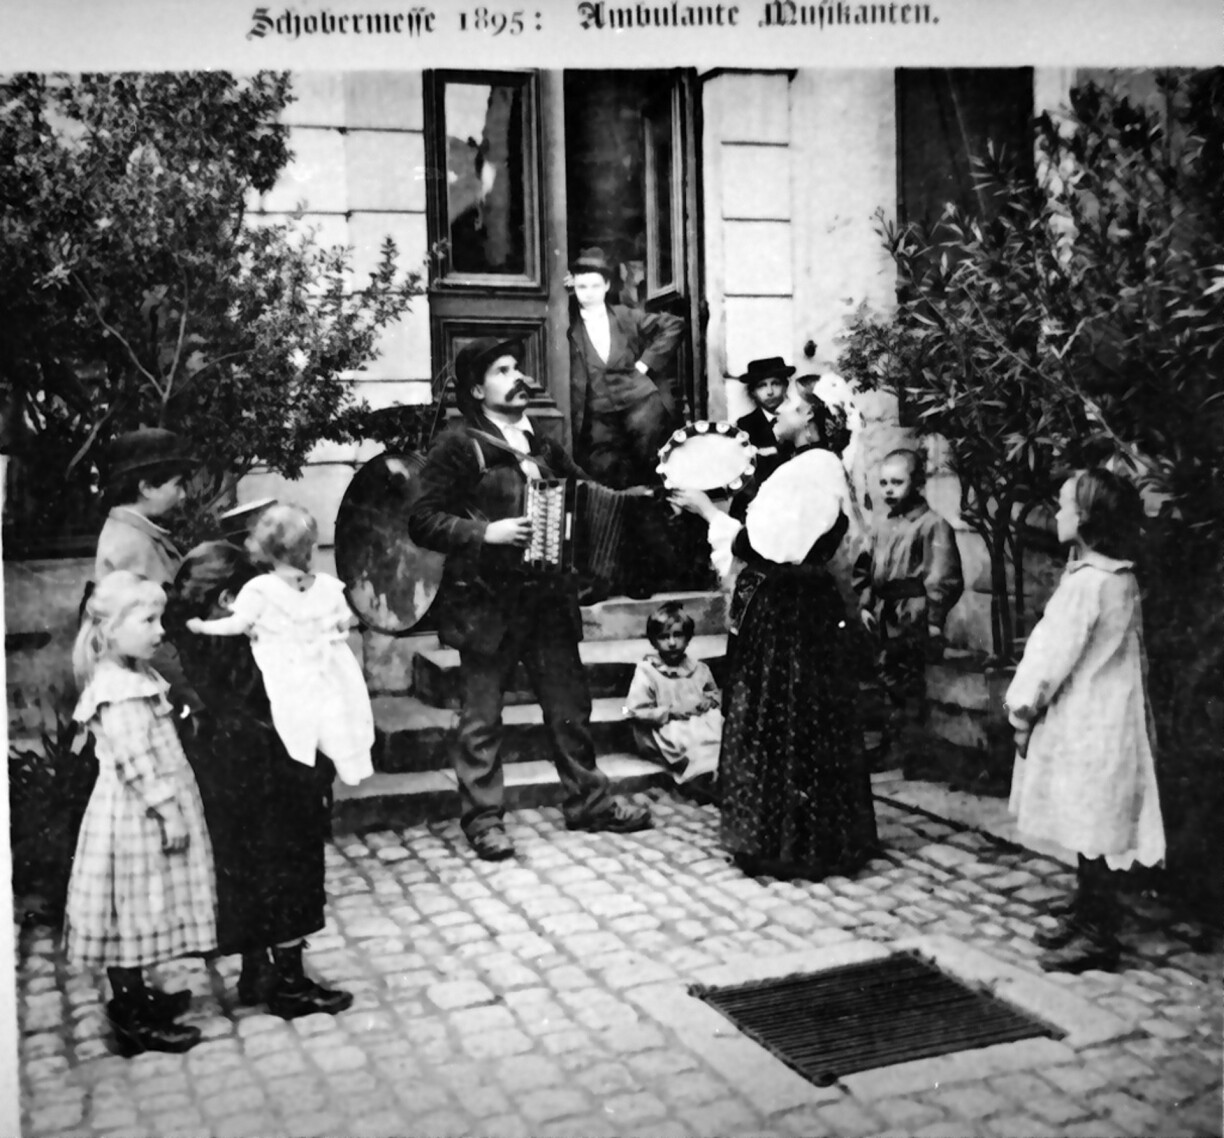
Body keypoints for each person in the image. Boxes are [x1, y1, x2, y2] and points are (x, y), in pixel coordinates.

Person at [409, 335, 653, 861]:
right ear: (477, 389)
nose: (517, 376)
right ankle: (483, 819)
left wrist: (628, 505)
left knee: (570, 707)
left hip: (547, 602)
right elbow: (422, 520)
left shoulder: (540, 441)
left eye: (517, 367)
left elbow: (585, 490)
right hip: (487, 604)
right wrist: (485, 534)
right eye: (502, 370)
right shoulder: (459, 446)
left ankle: (588, 801)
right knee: (482, 718)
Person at [673, 376, 878, 880]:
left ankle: (788, 843)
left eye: (788, 403)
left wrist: (705, 510)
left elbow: (766, 547)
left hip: (790, 612)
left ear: (810, 416)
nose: (780, 411)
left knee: (783, 715)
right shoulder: (808, 467)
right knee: (791, 716)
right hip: (792, 606)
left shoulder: (813, 469)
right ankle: (799, 836)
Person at [172, 541, 353, 1018]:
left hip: (225, 773)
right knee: (290, 870)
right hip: (276, 770)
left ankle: (255, 971)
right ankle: (290, 983)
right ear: (231, 599)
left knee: (246, 870)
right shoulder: (252, 646)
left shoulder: (193, 641)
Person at [1006, 467, 1164, 973]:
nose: (1056, 514)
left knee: (1092, 818)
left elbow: (1051, 656)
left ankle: (1099, 933)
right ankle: (1087, 909)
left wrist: (1023, 708)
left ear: (1088, 519)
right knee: (1087, 813)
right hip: (1107, 716)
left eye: (1064, 506)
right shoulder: (1118, 577)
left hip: (1088, 719)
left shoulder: (1088, 586)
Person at [64, 571, 216, 1055]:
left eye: (160, 619)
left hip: (141, 813)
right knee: (132, 906)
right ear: (110, 630)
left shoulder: (134, 676)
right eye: (148, 620)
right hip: (136, 819)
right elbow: (136, 762)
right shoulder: (119, 690)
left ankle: (136, 994)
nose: (159, 630)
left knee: (144, 905)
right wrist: (170, 812)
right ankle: (130, 1014)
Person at [184, 503, 374, 789]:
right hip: (323, 674)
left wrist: (202, 626)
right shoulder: (325, 586)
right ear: (310, 552)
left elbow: (236, 624)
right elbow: (343, 623)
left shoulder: (260, 591)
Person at [567, 246, 686, 597]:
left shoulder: (625, 317)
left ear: (606, 287)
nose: (586, 293)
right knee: (604, 494)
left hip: (641, 416)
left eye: (593, 286)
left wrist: (645, 364)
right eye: (579, 287)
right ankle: (603, 578)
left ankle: (641, 576)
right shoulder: (567, 324)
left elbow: (673, 324)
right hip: (599, 421)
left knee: (644, 492)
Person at [854, 448, 964, 773]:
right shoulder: (880, 526)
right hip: (884, 610)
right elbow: (863, 569)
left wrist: (933, 619)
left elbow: (943, 575)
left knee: (909, 681)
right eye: (884, 482)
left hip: (913, 611)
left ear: (916, 484)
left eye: (897, 482)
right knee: (887, 678)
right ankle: (894, 745)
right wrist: (865, 604)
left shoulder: (933, 525)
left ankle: (914, 751)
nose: (889, 490)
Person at [623, 601, 722, 799]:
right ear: (653, 641)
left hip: (697, 722)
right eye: (663, 637)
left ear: (688, 638)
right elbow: (632, 710)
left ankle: (717, 775)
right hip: (665, 725)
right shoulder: (647, 671)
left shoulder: (699, 669)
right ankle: (697, 780)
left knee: (717, 723)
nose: (671, 643)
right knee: (683, 736)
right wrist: (670, 711)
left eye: (678, 635)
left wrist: (709, 701)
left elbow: (713, 693)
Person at [735, 357, 794, 485]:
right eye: (762, 386)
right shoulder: (746, 425)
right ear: (753, 392)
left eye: (775, 383)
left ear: (785, 386)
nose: (770, 392)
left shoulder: (795, 419)